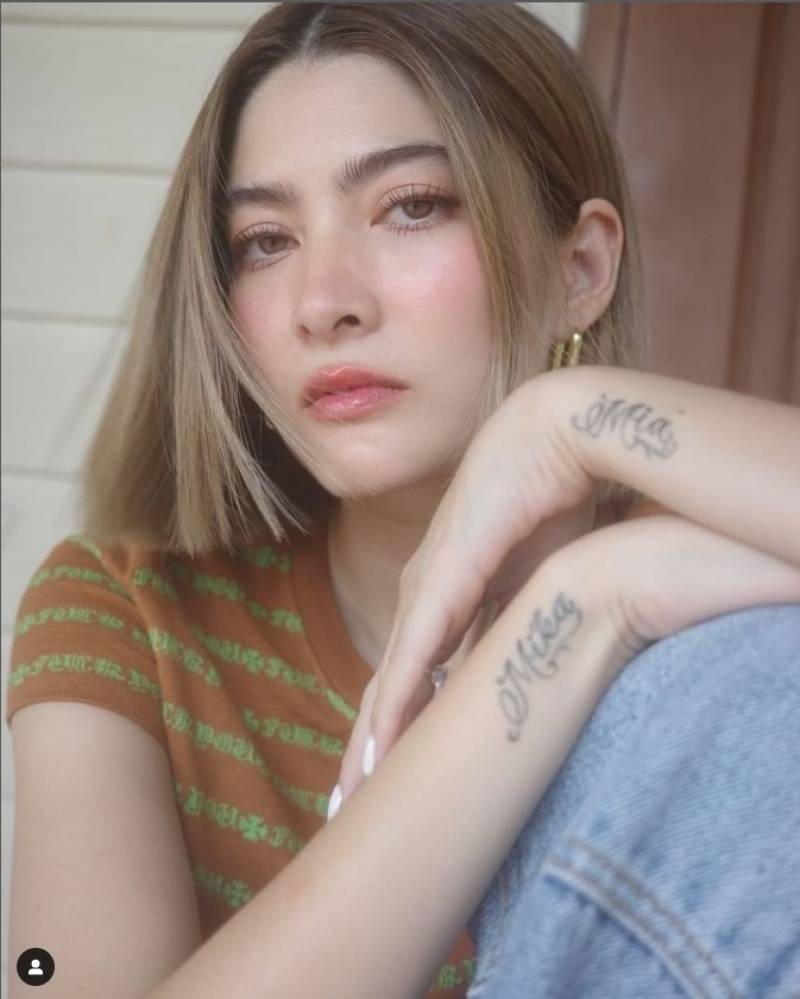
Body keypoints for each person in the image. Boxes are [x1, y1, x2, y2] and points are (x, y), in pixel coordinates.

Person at [5, 4, 799, 998]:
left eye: (411, 206)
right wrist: (582, 611)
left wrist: (569, 416)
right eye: (264, 241)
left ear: (580, 269)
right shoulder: (129, 612)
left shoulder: (705, 573)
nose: (323, 301)